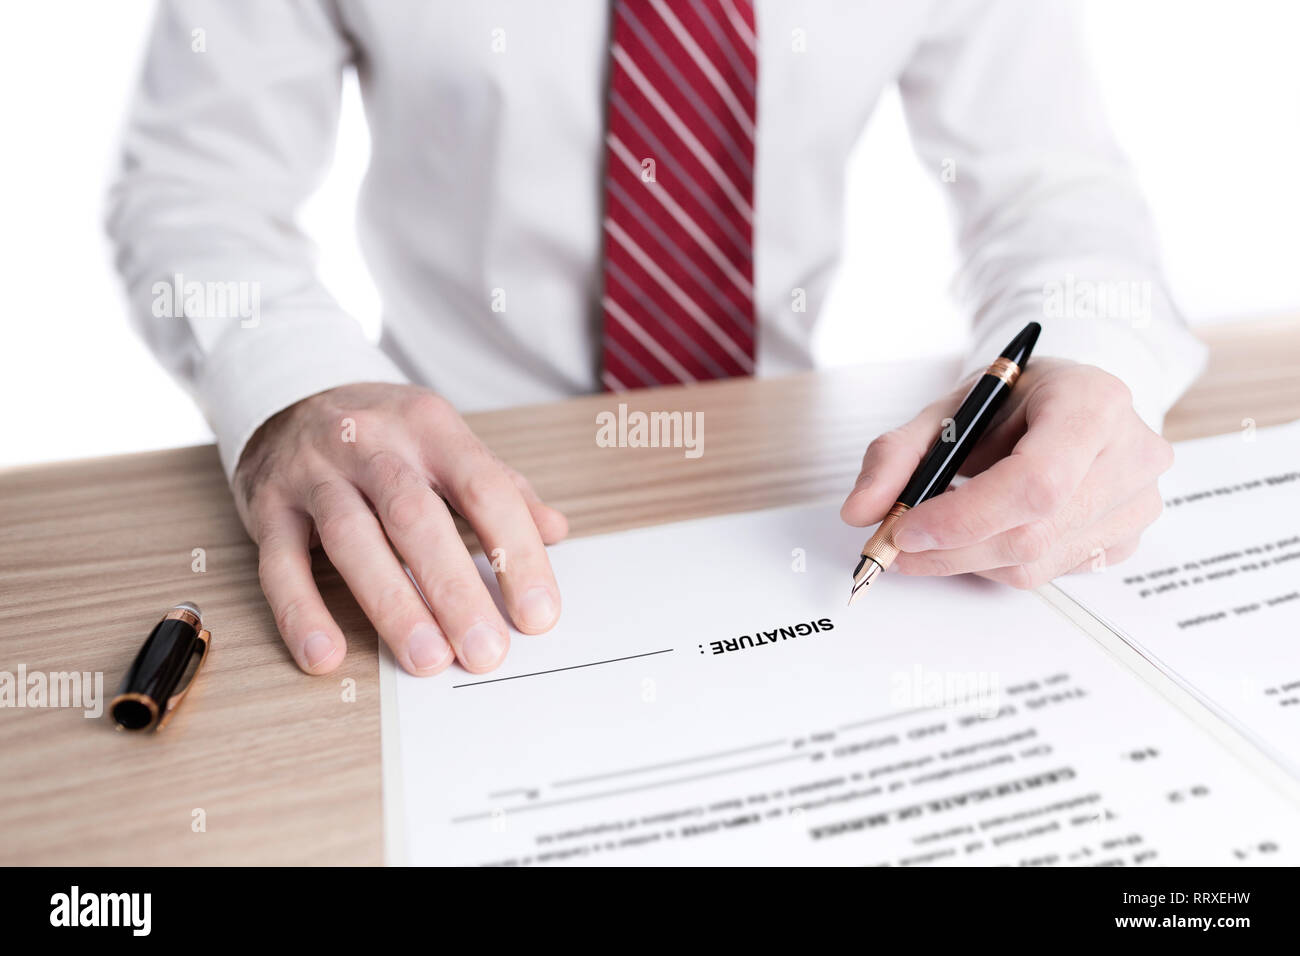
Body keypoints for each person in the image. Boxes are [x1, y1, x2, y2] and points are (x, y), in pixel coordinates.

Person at [108, 0, 1205, 680]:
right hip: (451, 486)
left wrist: (1095, 358)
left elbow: (1052, 189)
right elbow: (195, 185)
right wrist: (295, 393)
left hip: (781, 473)